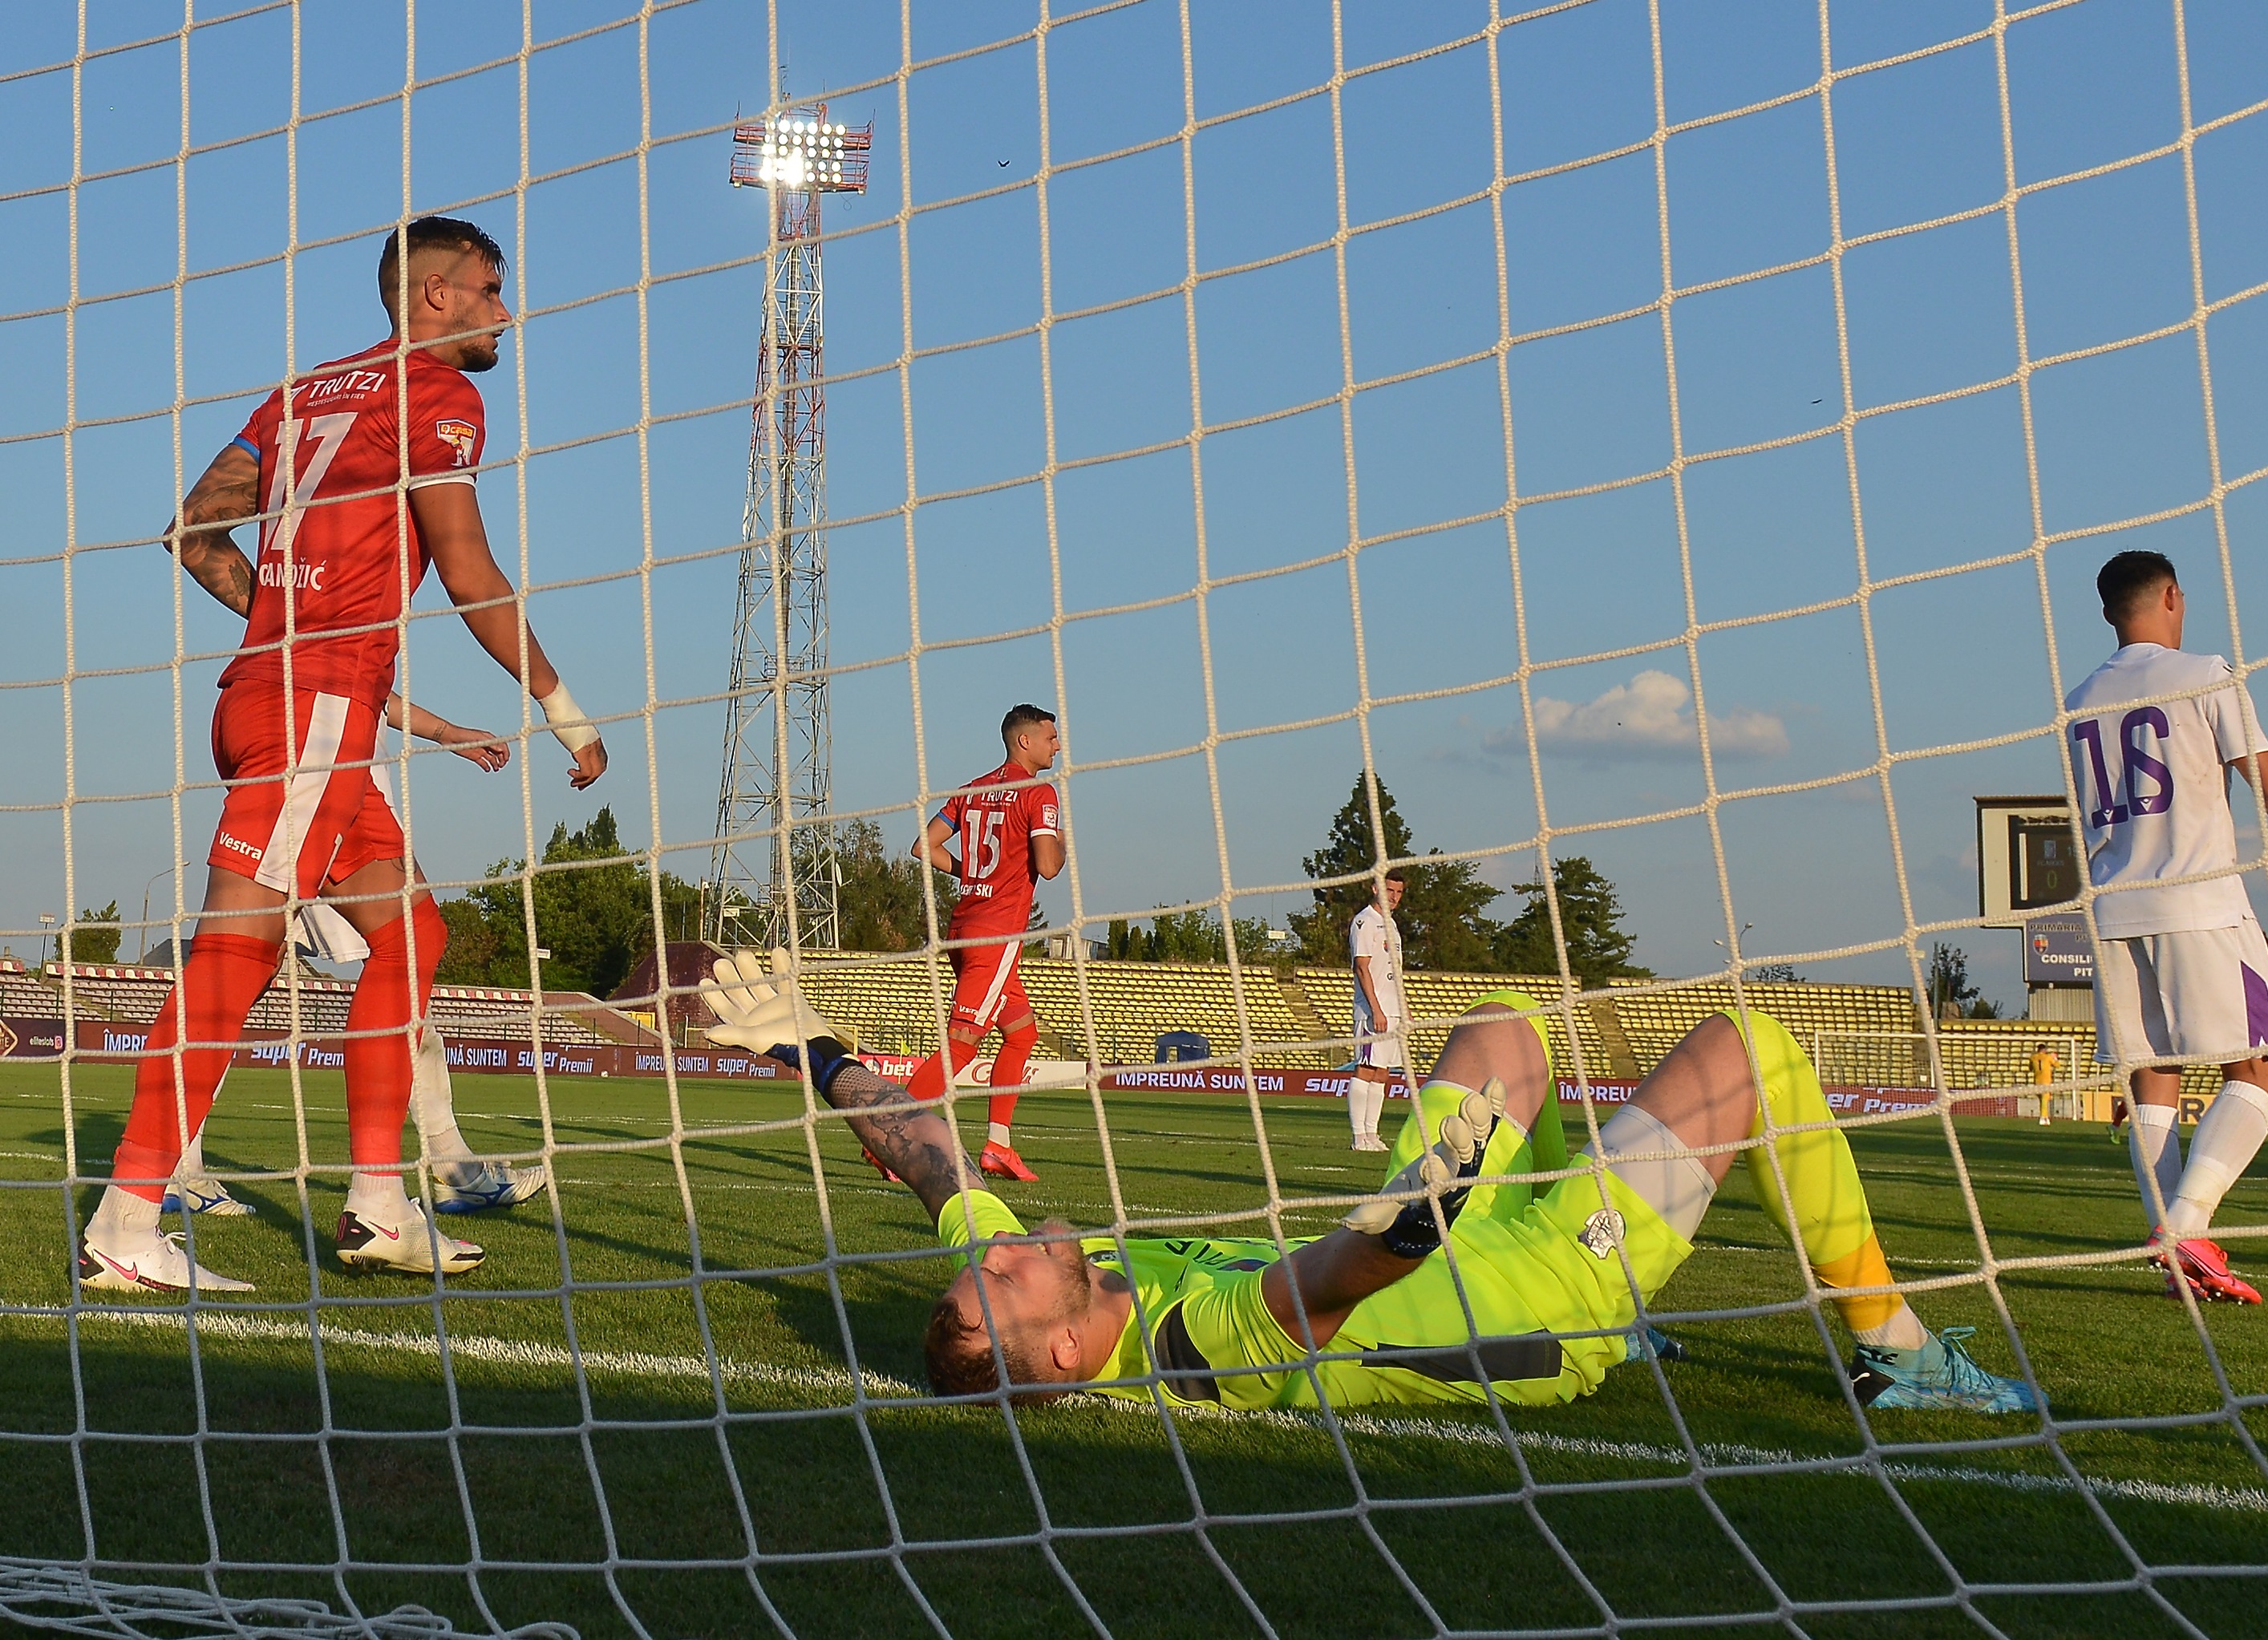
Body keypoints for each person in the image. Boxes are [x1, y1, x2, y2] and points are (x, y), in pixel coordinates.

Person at [699, 953, 2039, 1415]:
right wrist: (1422, 1198)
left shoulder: (1086, 1283)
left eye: (980, 1263)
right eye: (995, 1282)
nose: (990, 1252)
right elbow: (1344, 1277)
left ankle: (1498, 1187)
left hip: (1470, 1228)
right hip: (1551, 1288)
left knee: (1505, 1027)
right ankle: (1894, 1352)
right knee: (1750, 1049)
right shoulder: (1190, 1344)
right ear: (1060, 1343)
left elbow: (926, 1155)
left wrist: (806, 1052)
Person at [77, 216, 606, 1297]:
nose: (508, 312)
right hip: (307, 715)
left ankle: (379, 1203)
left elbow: (193, 530)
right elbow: (466, 569)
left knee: (411, 929)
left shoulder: (302, 394)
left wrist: (286, 636)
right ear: (435, 297)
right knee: (235, 952)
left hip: (291, 706)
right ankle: (129, 1217)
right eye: (493, 290)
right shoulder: (442, 395)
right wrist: (562, 703)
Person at [2066, 549, 2268, 1306]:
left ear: (2108, 612)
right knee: (2262, 1069)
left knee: (2153, 1080)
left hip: (2110, 911)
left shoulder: (2077, 700)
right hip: (2197, 903)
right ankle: (2185, 1228)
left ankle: (2175, 1249)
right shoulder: (2204, 670)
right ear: (2171, 595)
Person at [157, 697, 551, 1221]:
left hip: (313, 774)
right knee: (398, 964)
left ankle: (174, 1165)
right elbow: (339, 662)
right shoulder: (322, 643)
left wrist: (443, 730)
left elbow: (364, 678)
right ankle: (423, 1182)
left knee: (250, 975)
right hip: (326, 786)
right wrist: (551, 698)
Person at [904, 704, 1064, 1183]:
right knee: (963, 1044)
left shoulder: (972, 790)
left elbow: (923, 847)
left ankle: (998, 1146)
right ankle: (891, 1139)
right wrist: (1057, 836)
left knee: (1021, 1034)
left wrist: (972, 873)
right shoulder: (1038, 792)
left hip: (965, 927)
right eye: (1050, 738)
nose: (1057, 745)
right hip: (997, 933)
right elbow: (1050, 867)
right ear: (1024, 742)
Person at [1347, 870, 1408, 1152]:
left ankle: (1372, 1133)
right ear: (1375, 889)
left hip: (1392, 1008)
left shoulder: (1392, 925)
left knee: (1382, 1072)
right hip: (1373, 1009)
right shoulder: (1365, 921)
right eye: (1389, 891)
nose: (1393, 897)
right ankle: (1359, 1135)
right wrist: (1376, 1009)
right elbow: (1362, 966)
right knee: (1366, 1068)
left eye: (1398, 892)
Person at [2028, 1042, 2061, 1127]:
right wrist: (2055, 1058)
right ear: (2044, 1050)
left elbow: (2030, 1068)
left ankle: (2045, 1117)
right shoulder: (2048, 1057)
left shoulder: (2033, 1057)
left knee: (2042, 1101)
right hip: (2046, 1081)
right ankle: (2043, 1118)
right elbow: (2057, 1065)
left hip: (2037, 1081)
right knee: (2044, 1100)